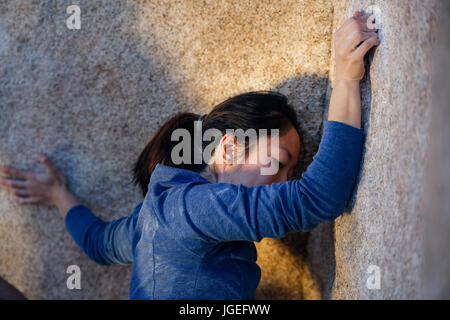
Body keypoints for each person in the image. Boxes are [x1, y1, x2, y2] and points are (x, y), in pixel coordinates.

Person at [0, 11, 379, 299]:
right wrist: (346, 78)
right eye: (278, 163)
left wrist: (59, 196)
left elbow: (98, 242)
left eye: (290, 173)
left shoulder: (156, 213)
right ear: (228, 150)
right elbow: (320, 196)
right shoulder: (195, 208)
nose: (284, 184)